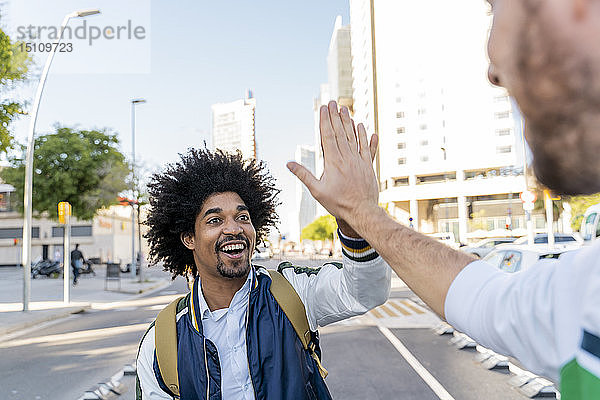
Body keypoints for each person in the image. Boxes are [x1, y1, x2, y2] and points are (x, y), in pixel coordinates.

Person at [287, 3, 600, 396]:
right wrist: (360, 211)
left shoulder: (283, 289)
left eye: (495, 8)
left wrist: (360, 214)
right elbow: (484, 299)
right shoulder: (584, 292)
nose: (492, 69)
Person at [136, 148, 391, 399]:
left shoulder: (292, 291)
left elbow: (364, 291)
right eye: (215, 220)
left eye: (243, 217)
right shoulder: (161, 342)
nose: (234, 228)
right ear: (189, 238)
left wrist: (354, 218)